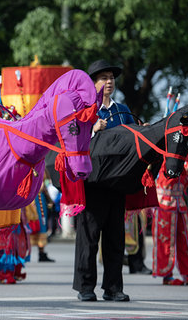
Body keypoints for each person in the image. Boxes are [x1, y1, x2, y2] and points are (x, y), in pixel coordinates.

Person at [74, 59, 135, 302]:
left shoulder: (123, 111)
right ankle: (85, 287)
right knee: (88, 238)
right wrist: (92, 129)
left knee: (115, 238)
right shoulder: (83, 109)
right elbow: (71, 140)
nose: (108, 82)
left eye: (111, 77)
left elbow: (133, 142)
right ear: (93, 83)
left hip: (117, 182)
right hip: (92, 182)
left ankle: (113, 287)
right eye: (103, 78)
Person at [152, 148, 188, 285]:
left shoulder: (182, 158)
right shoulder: (166, 155)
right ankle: (167, 275)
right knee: (165, 241)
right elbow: (176, 165)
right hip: (165, 205)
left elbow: (186, 175)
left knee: (185, 239)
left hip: (179, 203)